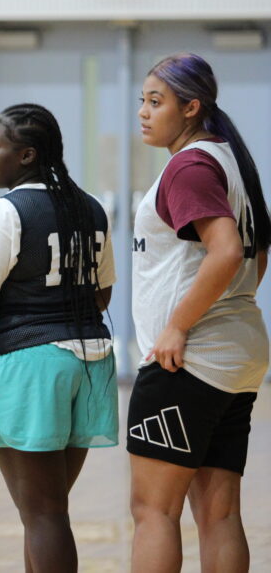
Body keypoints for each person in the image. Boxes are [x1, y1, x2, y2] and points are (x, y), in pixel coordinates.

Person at [0, 103, 118, 573]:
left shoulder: (2, 214)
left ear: (25, 156)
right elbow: (101, 296)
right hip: (89, 359)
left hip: (30, 363)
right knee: (45, 511)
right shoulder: (90, 208)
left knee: (43, 513)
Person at [128, 53, 270, 573]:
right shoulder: (230, 159)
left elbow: (228, 251)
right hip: (237, 355)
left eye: (156, 101)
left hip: (187, 361)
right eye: (142, 100)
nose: (143, 111)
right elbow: (258, 253)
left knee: (153, 511)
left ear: (191, 108)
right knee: (219, 513)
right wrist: (234, 305)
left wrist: (178, 325)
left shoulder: (189, 165)